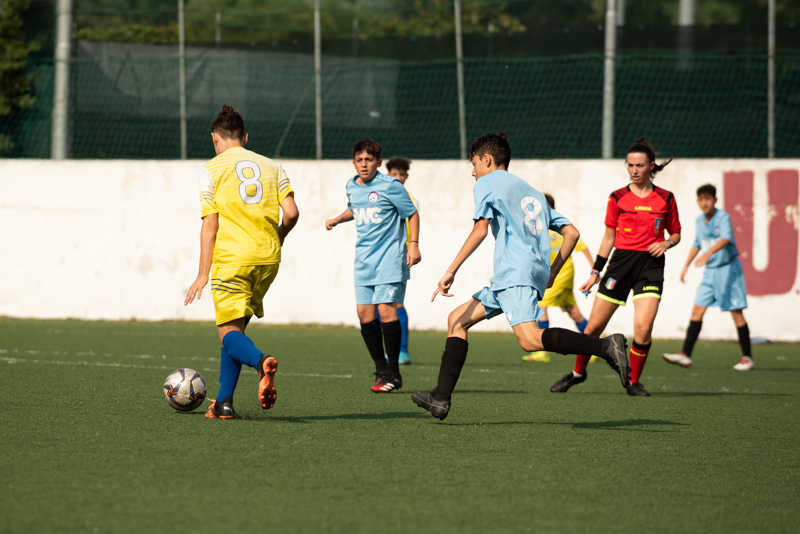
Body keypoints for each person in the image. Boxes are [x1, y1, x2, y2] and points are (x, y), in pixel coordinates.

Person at [411, 131, 630, 421]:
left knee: (530, 340)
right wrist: (552, 271)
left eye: (473, 164)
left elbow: (480, 229)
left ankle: (605, 346)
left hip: (514, 272)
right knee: (457, 320)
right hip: (521, 274)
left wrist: (451, 270)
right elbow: (572, 233)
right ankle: (440, 398)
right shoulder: (533, 192)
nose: (473, 172)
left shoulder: (487, 183)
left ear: (487, 159)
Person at [184, 104, 300, 419]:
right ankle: (224, 403)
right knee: (236, 331)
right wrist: (278, 236)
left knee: (228, 334)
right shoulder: (273, 166)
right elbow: (291, 213)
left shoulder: (210, 169)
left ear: (214, 138)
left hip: (233, 259)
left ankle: (261, 362)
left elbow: (210, 224)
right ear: (245, 137)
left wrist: (202, 273)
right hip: (268, 258)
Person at [550, 138, 681, 397]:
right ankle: (578, 373)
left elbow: (676, 233)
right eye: (630, 165)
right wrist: (595, 273)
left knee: (643, 328)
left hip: (651, 267)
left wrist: (666, 243)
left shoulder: (666, 198)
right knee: (593, 328)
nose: (634, 170)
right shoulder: (617, 197)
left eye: (639, 165)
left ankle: (632, 382)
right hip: (620, 265)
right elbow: (608, 238)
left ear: (651, 166)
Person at [325, 140, 421, 393]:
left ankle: (394, 373)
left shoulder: (391, 186)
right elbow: (354, 208)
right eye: (359, 160)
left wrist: (413, 244)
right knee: (364, 315)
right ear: (354, 163)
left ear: (379, 162)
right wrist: (338, 219)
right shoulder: (351, 186)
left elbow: (411, 213)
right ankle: (381, 370)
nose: (364, 164)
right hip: (364, 262)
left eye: (369, 160)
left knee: (387, 313)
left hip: (390, 260)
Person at [663, 184, 754, 370]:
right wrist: (685, 266)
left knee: (736, 312)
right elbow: (697, 243)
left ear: (715, 200)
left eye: (708, 199)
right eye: (701, 199)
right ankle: (685, 355)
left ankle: (747, 358)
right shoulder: (699, 220)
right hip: (710, 273)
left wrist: (709, 253)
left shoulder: (723, 217)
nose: (704, 203)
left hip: (728, 270)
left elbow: (725, 239)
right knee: (697, 310)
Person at [523, 193, 593, 363]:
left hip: (561, 275)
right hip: (557, 276)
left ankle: (540, 351)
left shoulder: (560, 225)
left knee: (540, 306)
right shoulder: (538, 228)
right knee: (573, 312)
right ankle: (595, 347)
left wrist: (594, 269)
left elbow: (581, 246)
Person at [378, 156, 417, 365]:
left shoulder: (409, 200)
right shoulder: (382, 195)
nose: (399, 177)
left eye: (402, 174)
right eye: (395, 174)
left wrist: (412, 247)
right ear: (388, 174)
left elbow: (411, 228)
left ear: (406, 177)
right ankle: (390, 349)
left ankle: (402, 350)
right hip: (380, 256)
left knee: (396, 303)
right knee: (379, 304)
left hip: (399, 256)